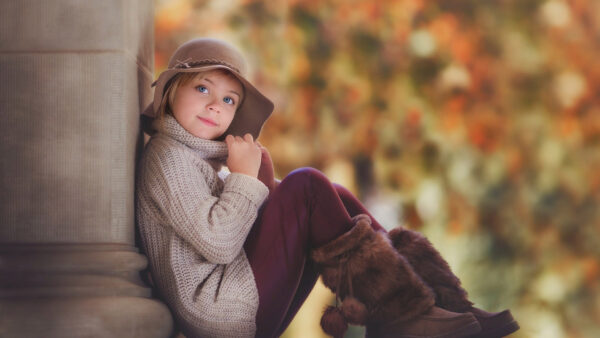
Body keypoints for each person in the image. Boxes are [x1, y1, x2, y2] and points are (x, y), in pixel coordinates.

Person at [136, 38, 519, 338]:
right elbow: (218, 243)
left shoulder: (199, 158)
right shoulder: (168, 156)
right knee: (307, 184)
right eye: (203, 89)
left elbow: (246, 231)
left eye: (229, 99)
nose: (216, 106)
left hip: (236, 302)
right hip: (217, 311)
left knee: (331, 196)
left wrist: (254, 179)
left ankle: (441, 301)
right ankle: (406, 317)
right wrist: (242, 179)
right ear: (171, 92)